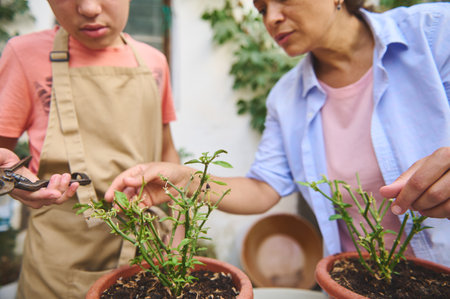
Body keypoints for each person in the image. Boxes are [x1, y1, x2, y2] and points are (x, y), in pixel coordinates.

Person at [106, 0, 450, 269]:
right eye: (261, 9)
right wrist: (185, 181)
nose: (271, 18)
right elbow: (263, 188)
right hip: (357, 281)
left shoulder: (433, 34)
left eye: (282, 0)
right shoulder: (286, 98)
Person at [0, 0, 179, 297]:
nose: (89, 9)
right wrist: (10, 181)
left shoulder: (153, 62)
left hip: (147, 256)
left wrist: (178, 227)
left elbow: (167, 152)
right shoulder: (24, 55)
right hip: (58, 269)